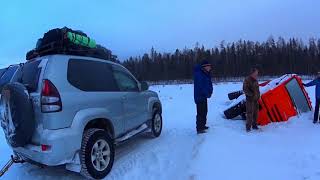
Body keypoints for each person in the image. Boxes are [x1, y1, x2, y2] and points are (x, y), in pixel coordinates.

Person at [193, 60, 213, 134]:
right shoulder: (199, 74)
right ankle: (199, 128)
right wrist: (207, 93)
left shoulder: (206, 73)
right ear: (204, 67)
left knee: (205, 111)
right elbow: (201, 86)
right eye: (208, 66)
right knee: (200, 112)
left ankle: (203, 125)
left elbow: (209, 84)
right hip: (199, 96)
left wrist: (210, 91)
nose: (210, 67)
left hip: (204, 96)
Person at [243, 67, 260, 132]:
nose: (257, 74)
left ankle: (254, 125)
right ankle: (248, 127)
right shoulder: (247, 80)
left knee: (256, 113)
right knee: (250, 114)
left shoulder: (256, 80)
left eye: (257, 73)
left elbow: (257, 89)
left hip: (256, 100)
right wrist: (252, 95)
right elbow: (245, 89)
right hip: (250, 100)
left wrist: (258, 96)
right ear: (252, 73)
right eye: (256, 73)